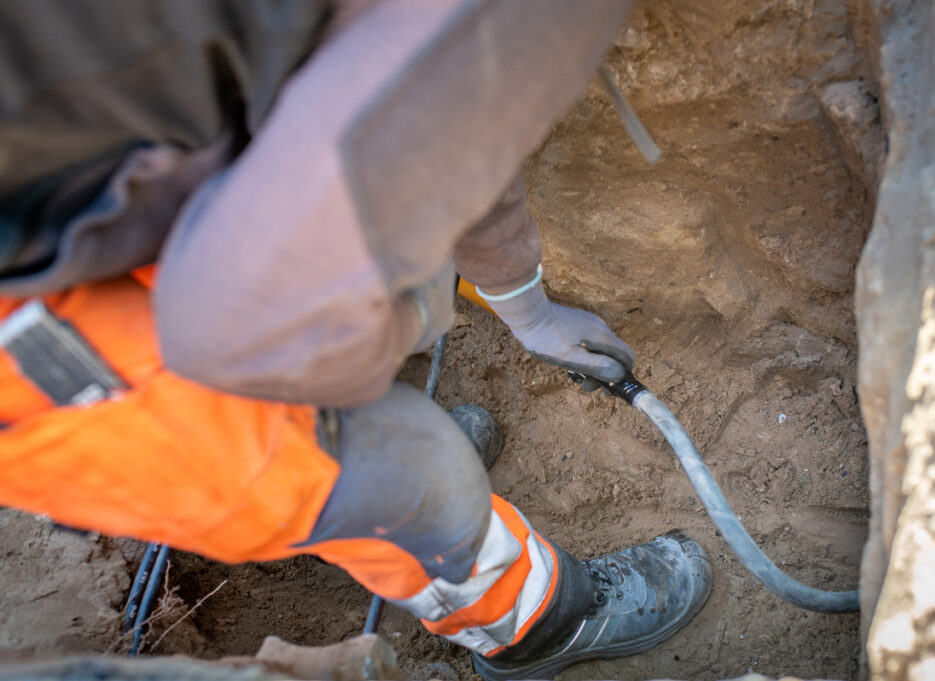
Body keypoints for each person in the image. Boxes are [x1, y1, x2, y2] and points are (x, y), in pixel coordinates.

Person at [0, 1, 711, 679]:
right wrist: (388, 339)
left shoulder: (452, 34)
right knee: (402, 471)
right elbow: (225, 336)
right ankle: (534, 625)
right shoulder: (467, 28)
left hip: (106, 207)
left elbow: (451, 138)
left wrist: (528, 312)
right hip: (33, 350)